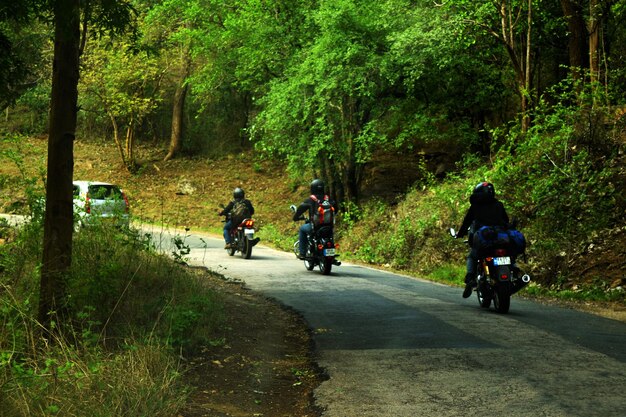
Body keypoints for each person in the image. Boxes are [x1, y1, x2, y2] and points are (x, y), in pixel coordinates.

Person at [455, 181, 509, 298]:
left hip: (484, 239)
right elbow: (506, 221)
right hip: (501, 238)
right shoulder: (499, 204)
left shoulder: (475, 206)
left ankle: (470, 278)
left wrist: (460, 234)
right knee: (509, 256)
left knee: (472, 256)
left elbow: (466, 223)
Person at [292, 179, 335, 259]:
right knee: (330, 237)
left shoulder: (311, 200)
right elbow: (336, 209)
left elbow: (301, 209)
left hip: (315, 227)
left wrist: (295, 217)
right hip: (329, 227)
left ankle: (302, 253)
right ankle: (331, 254)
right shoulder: (328, 199)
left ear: (312, 188)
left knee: (302, 229)